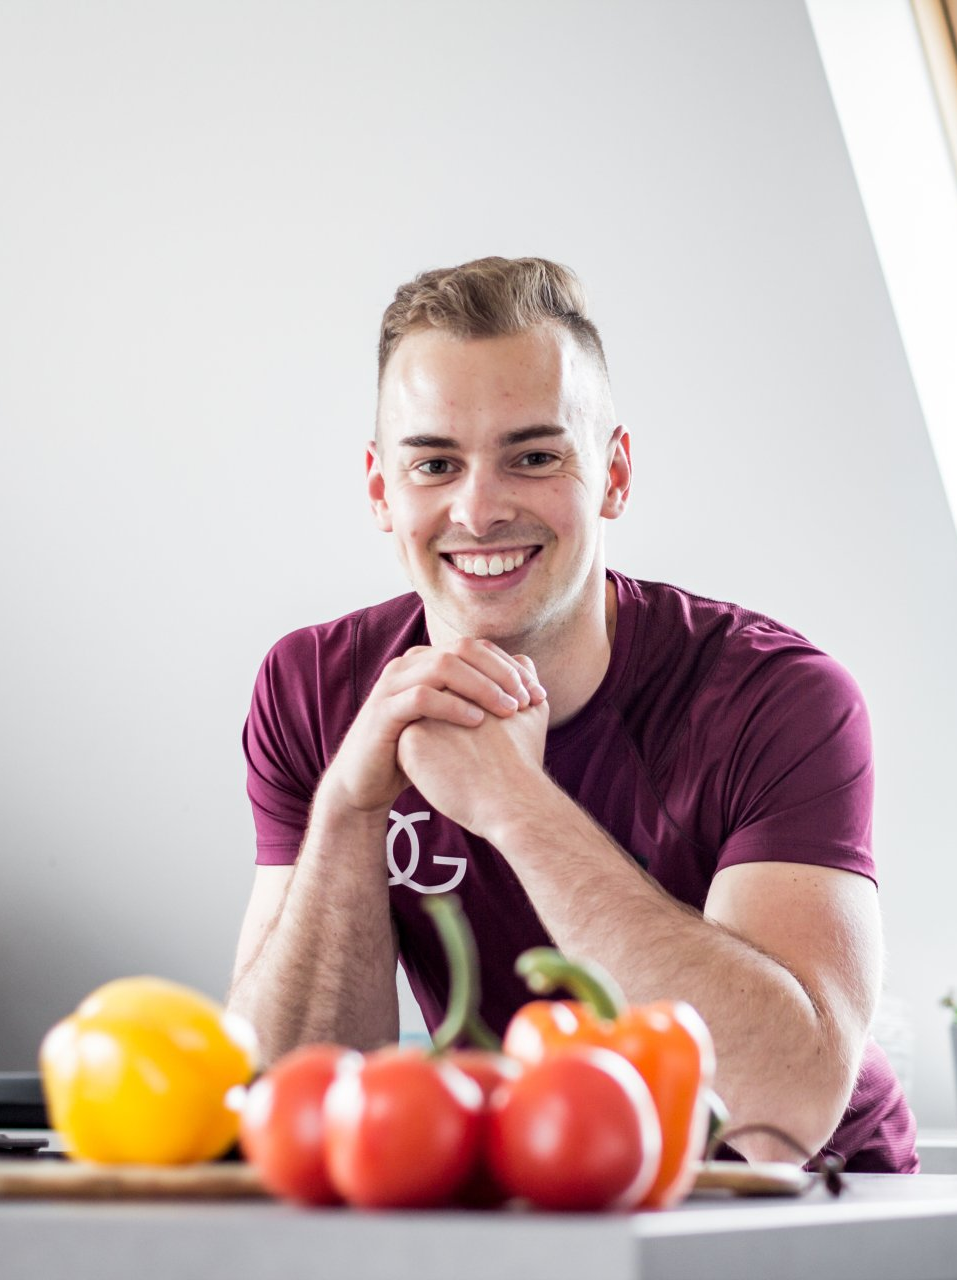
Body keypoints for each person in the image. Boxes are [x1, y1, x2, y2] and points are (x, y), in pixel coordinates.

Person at [228, 256, 918, 1173]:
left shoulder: (780, 699)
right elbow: (284, 1104)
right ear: (380, 491)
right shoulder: (313, 689)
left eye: (535, 456)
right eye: (435, 463)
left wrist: (517, 802)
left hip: (809, 1216)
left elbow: (778, 1111)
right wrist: (349, 813)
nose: (478, 509)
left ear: (615, 473)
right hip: (534, 1197)